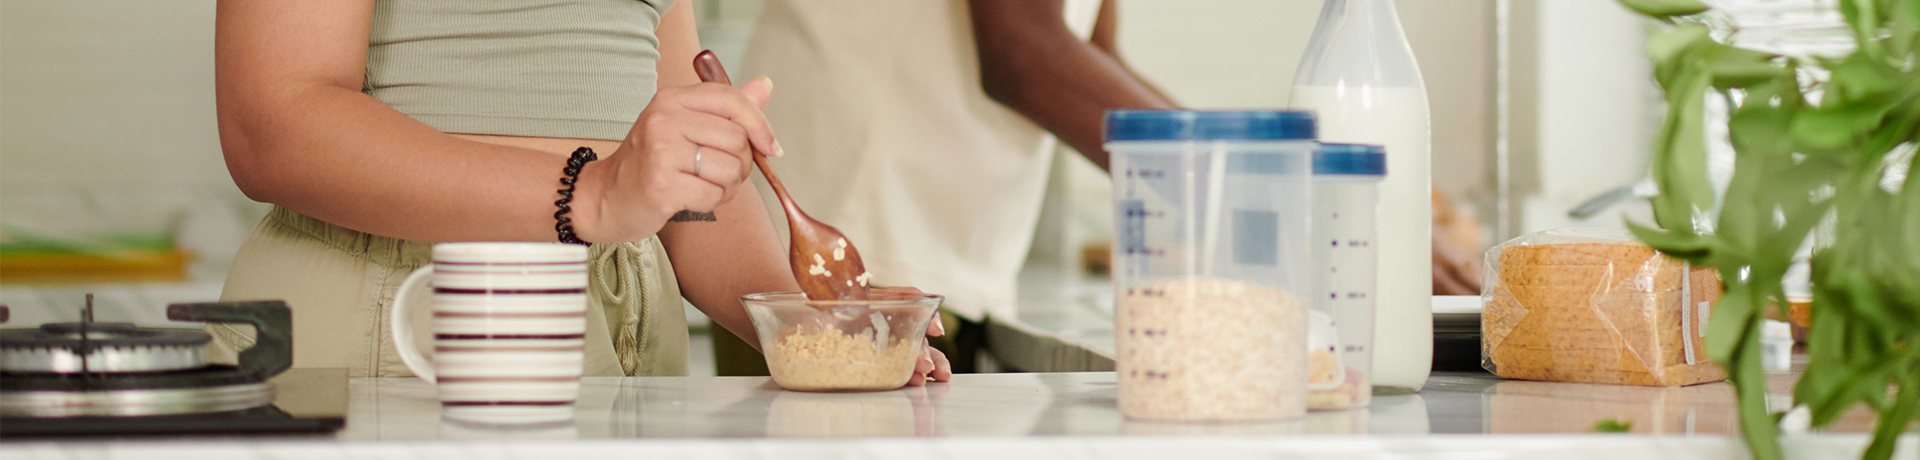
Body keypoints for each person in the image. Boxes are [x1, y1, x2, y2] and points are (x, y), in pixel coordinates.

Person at [208, 0, 949, 383]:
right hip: (400, 309)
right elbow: (272, 122)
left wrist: (802, 322)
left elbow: (674, 171)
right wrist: (593, 194)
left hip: (623, 315)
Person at [727, 0, 1174, 372]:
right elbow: (1025, 52)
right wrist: (1216, 167)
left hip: (924, 241)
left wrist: (1221, 156)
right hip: (836, 237)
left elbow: (1095, 51)